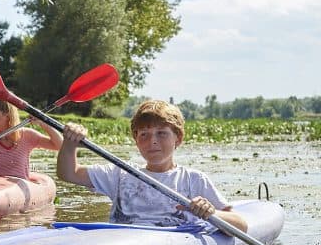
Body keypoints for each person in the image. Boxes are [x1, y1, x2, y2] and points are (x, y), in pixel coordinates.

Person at [57, 99, 248, 234]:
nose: (152, 142)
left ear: (178, 139)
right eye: (144, 135)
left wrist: (211, 212)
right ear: (136, 140)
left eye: (161, 133)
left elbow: (240, 225)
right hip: (120, 243)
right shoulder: (120, 173)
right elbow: (68, 173)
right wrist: (70, 143)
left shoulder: (193, 179)